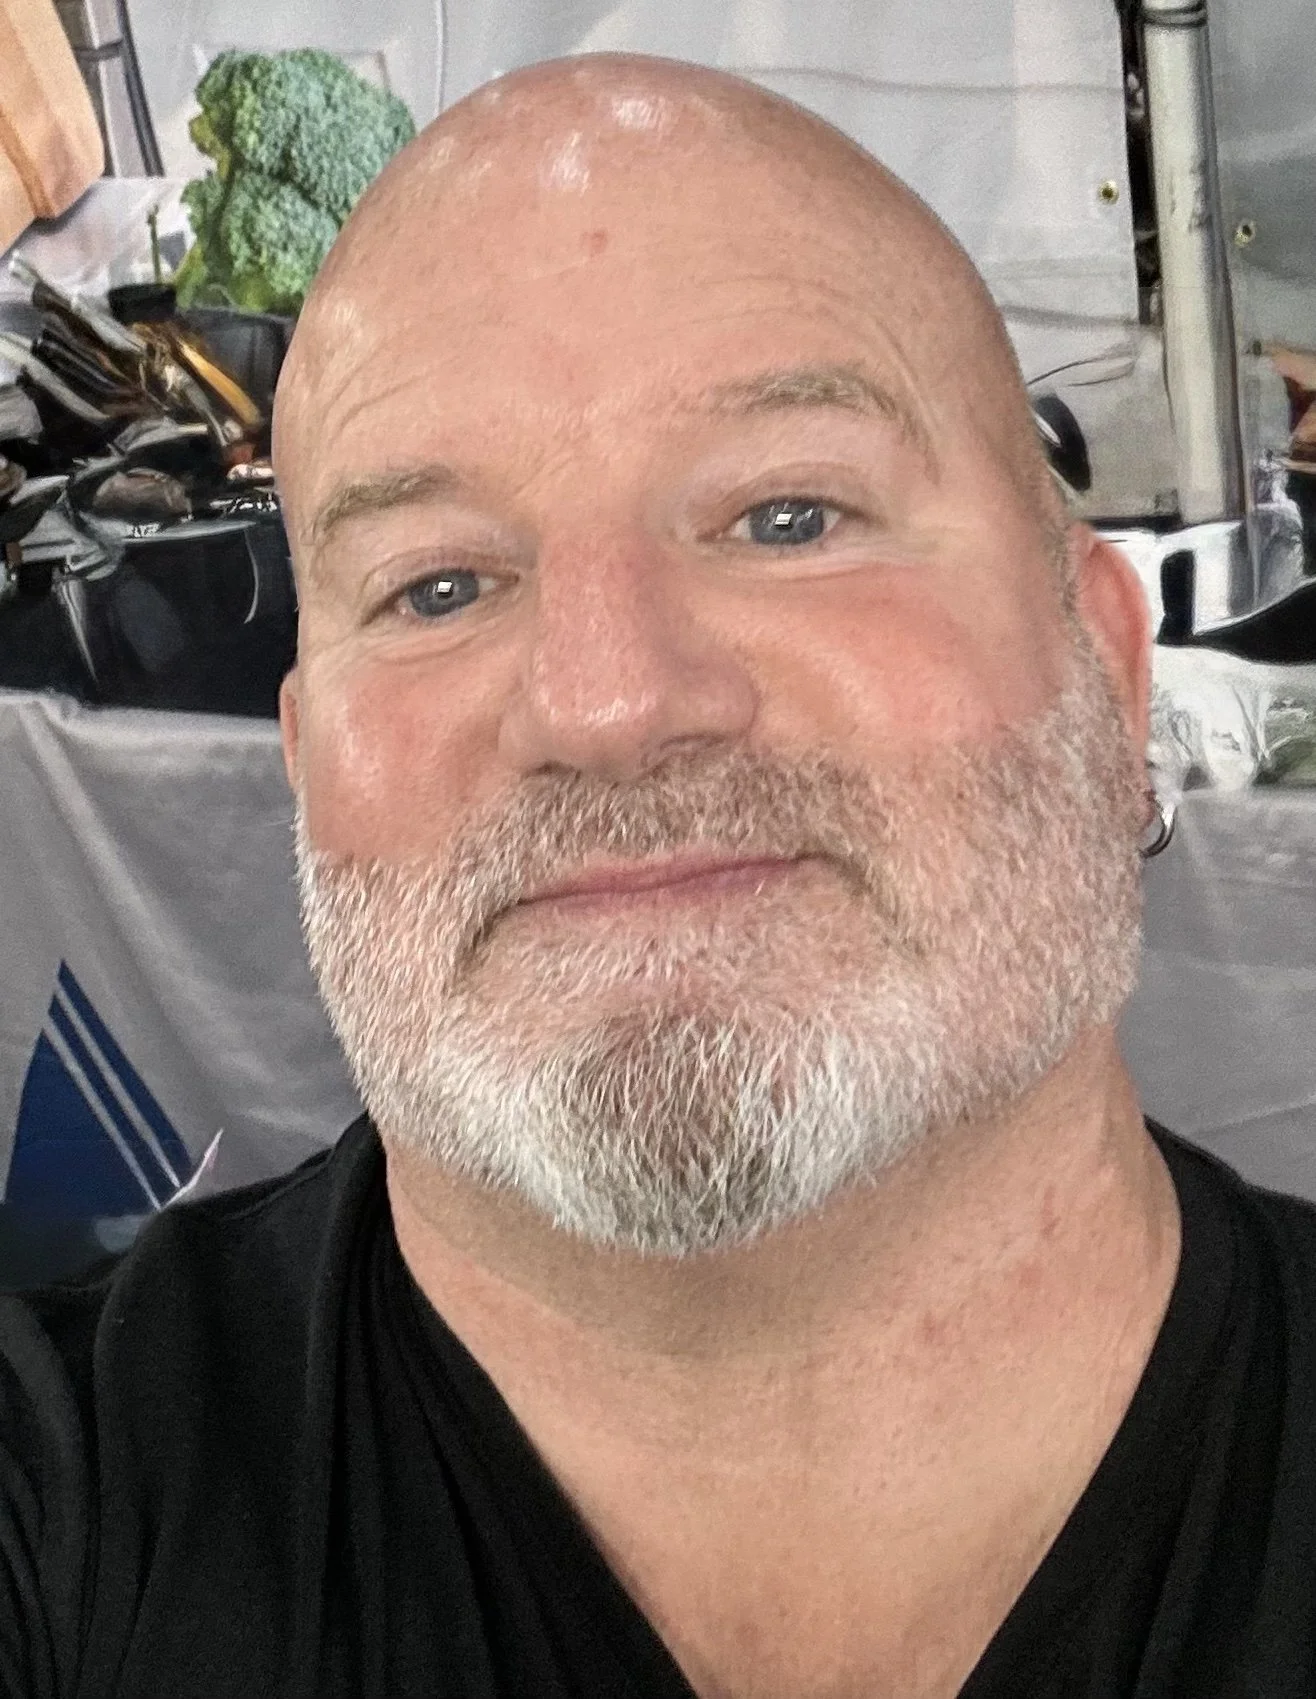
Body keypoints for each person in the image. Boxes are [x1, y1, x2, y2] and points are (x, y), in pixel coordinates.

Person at [3, 52, 1315, 1699]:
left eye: (787, 516)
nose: (610, 705)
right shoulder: (68, 1505)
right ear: (306, 762)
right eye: (437, 585)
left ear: (1108, 675)